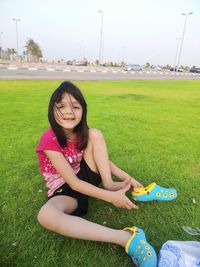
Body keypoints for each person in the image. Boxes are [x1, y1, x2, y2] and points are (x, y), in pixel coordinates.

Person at [36, 81, 157, 267]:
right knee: (46, 215)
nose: (69, 111)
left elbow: (103, 160)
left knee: (95, 133)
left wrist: (128, 179)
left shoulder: (82, 134)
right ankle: (125, 238)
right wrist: (110, 197)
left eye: (75, 106)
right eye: (61, 106)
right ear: (52, 110)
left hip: (85, 175)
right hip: (65, 187)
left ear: (83, 110)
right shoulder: (49, 139)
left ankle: (109, 183)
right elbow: (74, 184)